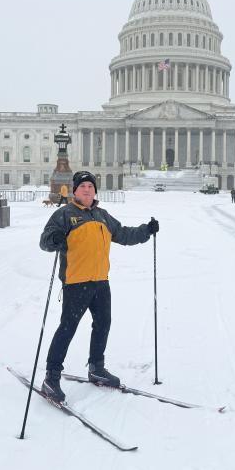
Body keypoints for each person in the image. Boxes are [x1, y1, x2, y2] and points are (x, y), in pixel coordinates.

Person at [39, 170, 159, 403]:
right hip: (76, 282)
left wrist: (146, 230)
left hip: (101, 281)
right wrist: (54, 239)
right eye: (83, 187)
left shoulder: (102, 215)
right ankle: (51, 377)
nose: (87, 190)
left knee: (103, 324)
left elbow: (123, 234)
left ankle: (96, 367)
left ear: (95, 191)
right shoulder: (64, 214)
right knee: (67, 328)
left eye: (90, 187)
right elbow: (45, 241)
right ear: (75, 191)